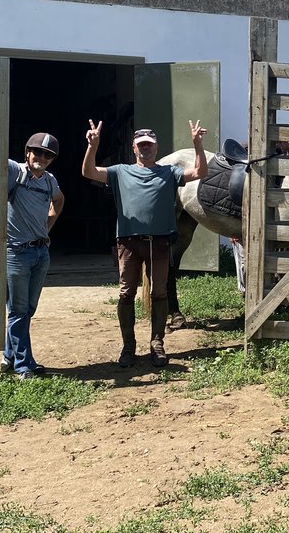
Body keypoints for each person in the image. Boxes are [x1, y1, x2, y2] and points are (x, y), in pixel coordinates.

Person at [81, 119, 207, 367]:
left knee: (159, 293)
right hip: (128, 244)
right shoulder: (120, 172)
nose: (145, 148)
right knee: (126, 294)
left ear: (156, 147)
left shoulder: (169, 172)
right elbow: (89, 172)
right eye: (141, 145)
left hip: (159, 244)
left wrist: (197, 144)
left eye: (149, 144)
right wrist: (92, 146)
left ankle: (157, 343)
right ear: (133, 147)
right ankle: (128, 347)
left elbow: (200, 173)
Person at [0, 119, 65, 379]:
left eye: (48, 155)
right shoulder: (15, 171)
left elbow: (59, 200)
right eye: (38, 152)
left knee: (27, 310)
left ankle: (9, 357)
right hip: (16, 253)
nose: (42, 158)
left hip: (41, 253)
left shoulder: (49, 181)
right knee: (18, 310)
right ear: (27, 152)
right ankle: (24, 365)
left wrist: (47, 226)